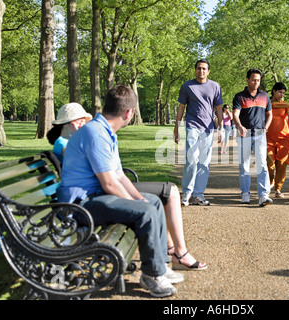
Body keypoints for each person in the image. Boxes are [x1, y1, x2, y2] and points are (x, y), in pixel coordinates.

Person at [57, 85, 184, 297]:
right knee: (145, 211)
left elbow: (120, 176)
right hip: (80, 206)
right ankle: (152, 275)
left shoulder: (106, 132)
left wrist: (140, 198)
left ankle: (160, 266)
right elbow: (108, 183)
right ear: (128, 113)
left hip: (94, 198)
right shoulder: (96, 133)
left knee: (151, 202)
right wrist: (137, 204)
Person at [51, 102, 206, 271]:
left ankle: (169, 252)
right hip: (88, 195)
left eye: (83, 120)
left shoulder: (90, 136)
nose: (82, 124)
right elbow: (93, 166)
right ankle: (168, 258)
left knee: (164, 195)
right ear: (64, 125)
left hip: (101, 185)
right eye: (77, 121)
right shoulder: (64, 142)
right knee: (159, 199)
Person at [174, 59, 224, 206]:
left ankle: (198, 194)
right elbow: (181, 107)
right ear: (195, 70)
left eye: (204, 69)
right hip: (192, 126)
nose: (201, 71)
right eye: (199, 68)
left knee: (204, 162)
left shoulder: (215, 86)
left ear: (208, 71)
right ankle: (186, 194)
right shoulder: (187, 86)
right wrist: (176, 128)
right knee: (191, 159)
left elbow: (219, 108)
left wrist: (221, 128)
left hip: (208, 128)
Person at [232, 68, 273, 207]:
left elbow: (269, 114)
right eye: (253, 79)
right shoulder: (239, 97)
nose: (256, 82)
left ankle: (263, 194)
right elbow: (235, 114)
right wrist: (239, 126)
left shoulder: (265, 96)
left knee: (262, 164)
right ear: (247, 80)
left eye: (258, 80)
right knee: (244, 165)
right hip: (245, 134)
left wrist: (266, 127)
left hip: (260, 134)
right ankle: (245, 193)